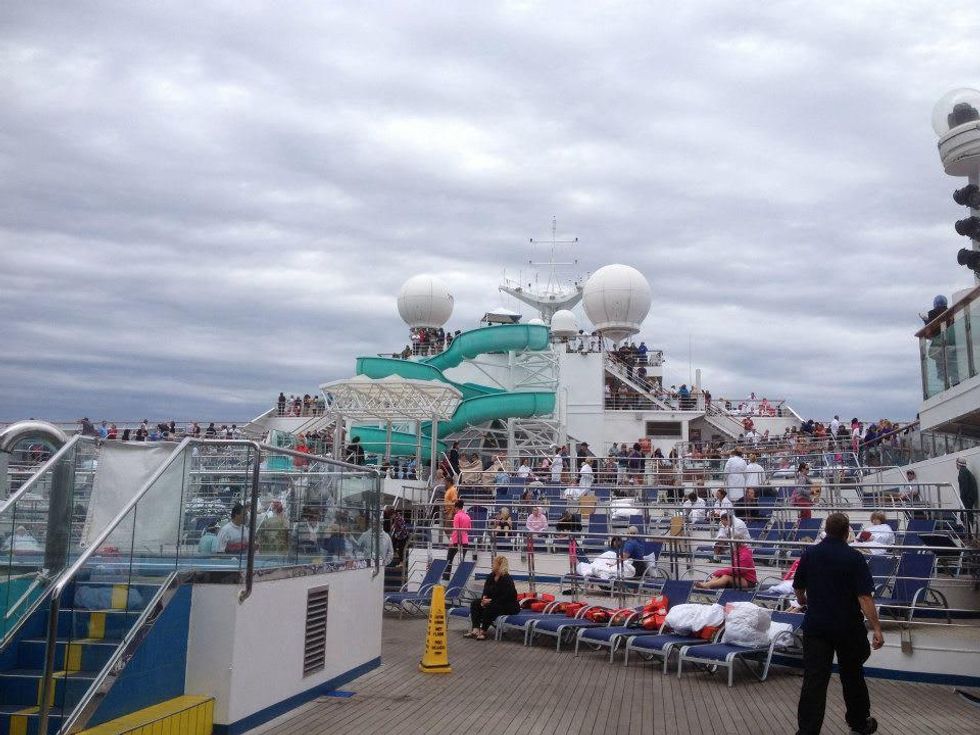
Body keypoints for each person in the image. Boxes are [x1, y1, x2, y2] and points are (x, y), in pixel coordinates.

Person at [794, 512, 883, 735]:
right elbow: (864, 597)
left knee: (814, 680)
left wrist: (803, 601)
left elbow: (798, 587)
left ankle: (807, 731)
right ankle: (859, 723)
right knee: (852, 676)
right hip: (847, 627)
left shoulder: (810, 554)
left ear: (826, 530)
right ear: (847, 532)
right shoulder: (854, 557)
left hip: (816, 626)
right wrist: (877, 628)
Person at [695, 512, 756, 589]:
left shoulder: (745, 553)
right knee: (720, 575)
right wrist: (720, 572)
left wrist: (722, 571)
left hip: (748, 581)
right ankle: (708, 584)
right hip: (739, 576)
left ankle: (708, 585)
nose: (731, 544)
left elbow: (738, 570)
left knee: (726, 577)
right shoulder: (736, 552)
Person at [466, 555, 519, 640]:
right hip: (493, 602)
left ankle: (483, 631)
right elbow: (486, 589)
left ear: (500, 565)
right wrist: (483, 599)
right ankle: (475, 629)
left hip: (507, 605)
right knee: (475, 603)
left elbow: (507, 596)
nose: (492, 565)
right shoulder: (491, 576)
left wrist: (490, 601)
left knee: (491, 606)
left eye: (494, 563)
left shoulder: (507, 578)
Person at [444, 500, 471, 580]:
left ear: (456, 507)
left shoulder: (457, 516)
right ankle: (461, 577)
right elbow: (469, 529)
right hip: (465, 541)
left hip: (457, 541)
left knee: (449, 559)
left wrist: (453, 541)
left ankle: (446, 577)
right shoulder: (467, 516)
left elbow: (456, 529)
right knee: (462, 560)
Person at [957, 458, 977, 537]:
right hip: (970, 496)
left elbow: (964, 487)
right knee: (967, 515)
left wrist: (961, 499)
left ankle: (970, 535)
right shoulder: (965, 471)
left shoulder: (962, 472)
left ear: (958, 464)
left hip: (967, 497)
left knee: (965, 516)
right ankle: (970, 534)